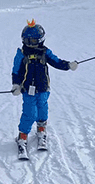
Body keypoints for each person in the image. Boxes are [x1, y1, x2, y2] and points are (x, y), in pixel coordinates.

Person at [9, 20, 76, 157]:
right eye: (29, 41)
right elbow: (16, 71)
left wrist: (68, 65)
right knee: (29, 113)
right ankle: (22, 136)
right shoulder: (21, 53)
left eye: (34, 41)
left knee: (42, 109)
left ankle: (41, 129)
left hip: (43, 87)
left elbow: (56, 61)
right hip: (28, 89)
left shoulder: (45, 52)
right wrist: (16, 85)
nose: (31, 44)